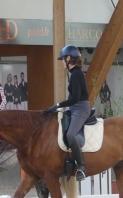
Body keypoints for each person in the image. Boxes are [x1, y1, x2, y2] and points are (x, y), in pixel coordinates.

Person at [44, 45, 89, 181]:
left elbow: (74, 98)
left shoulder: (76, 74)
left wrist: (58, 105)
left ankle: (81, 167)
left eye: (63, 59)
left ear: (69, 58)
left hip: (81, 108)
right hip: (74, 108)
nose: (62, 62)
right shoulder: (73, 73)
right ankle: (67, 162)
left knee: (70, 135)